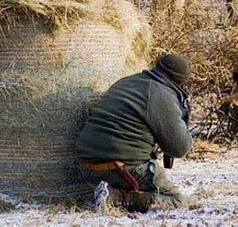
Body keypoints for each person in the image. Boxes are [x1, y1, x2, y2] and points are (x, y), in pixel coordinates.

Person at [76, 53, 193, 212]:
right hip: (122, 169)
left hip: (87, 168)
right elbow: (179, 148)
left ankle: (107, 191)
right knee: (176, 200)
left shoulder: (127, 81)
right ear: (180, 81)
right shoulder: (162, 94)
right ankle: (115, 197)